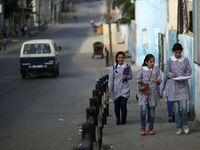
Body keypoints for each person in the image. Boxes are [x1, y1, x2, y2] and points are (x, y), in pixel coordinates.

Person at [164, 43, 192, 135]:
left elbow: (189, 70)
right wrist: (172, 75)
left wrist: (185, 75)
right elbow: (166, 71)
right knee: (176, 109)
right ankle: (178, 127)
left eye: (179, 52)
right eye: (176, 52)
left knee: (184, 107)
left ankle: (185, 125)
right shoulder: (169, 61)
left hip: (183, 86)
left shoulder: (185, 60)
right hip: (174, 87)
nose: (178, 54)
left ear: (181, 51)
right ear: (173, 51)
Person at [136, 54, 161, 135]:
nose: (153, 63)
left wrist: (158, 81)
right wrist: (139, 81)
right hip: (144, 93)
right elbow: (137, 79)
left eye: (153, 61)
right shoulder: (142, 69)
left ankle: (151, 127)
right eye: (151, 62)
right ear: (146, 62)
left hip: (153, 93)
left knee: (152, 112)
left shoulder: (156, 69)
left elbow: (160, 79)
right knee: (143, 110)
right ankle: (142, 127)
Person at [108, 51, 133, 125]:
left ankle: (123, 121)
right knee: (116, 107)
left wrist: (126, 77)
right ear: (117, 58)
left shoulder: (127, 66)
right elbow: (111, 79)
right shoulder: (113, 67)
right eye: (119, 57)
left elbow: (131, 76)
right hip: (115, 90)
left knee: (123, 105)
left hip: (125, 89)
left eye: (122, 57)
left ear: (124, 58)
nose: (121, 59)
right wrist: (109, 89)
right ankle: (118, 118)